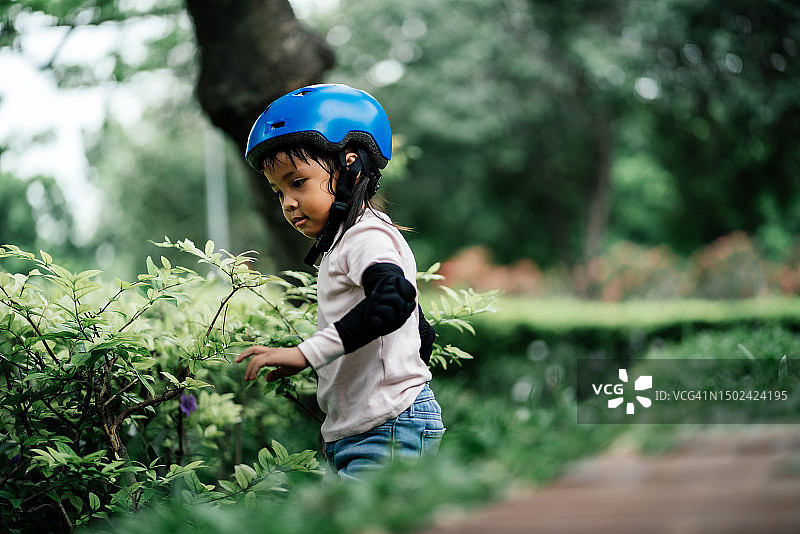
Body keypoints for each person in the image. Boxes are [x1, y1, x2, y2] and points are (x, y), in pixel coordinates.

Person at [236, 84, 444, 480]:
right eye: (278, 191)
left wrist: (306, 354)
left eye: (298, 182)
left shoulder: (365, 235)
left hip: (388, 430)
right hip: (368, 429)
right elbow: (420, 331)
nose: (288, 202)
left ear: (351, 166)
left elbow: (394, 299)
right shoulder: (348, 241)